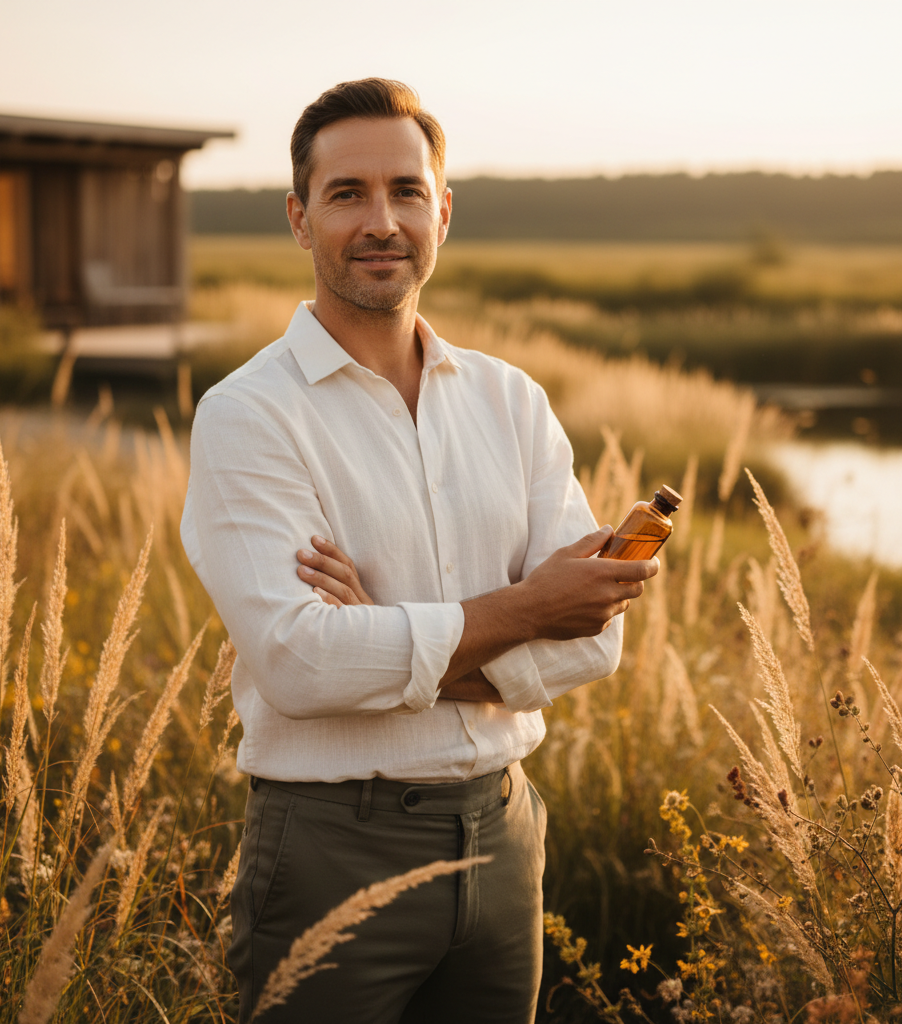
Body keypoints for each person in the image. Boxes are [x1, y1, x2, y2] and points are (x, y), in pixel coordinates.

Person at [180, 78, 658, 1024]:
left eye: (406, 190)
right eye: (346, 193)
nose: (380, 221)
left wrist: (392, 643)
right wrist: (521, 612)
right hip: (331, 846)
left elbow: (595, 641)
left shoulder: (511, 401)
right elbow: (298, 664)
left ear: (442, 211)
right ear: (298, 217)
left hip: (505, 832)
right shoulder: (247, 414)